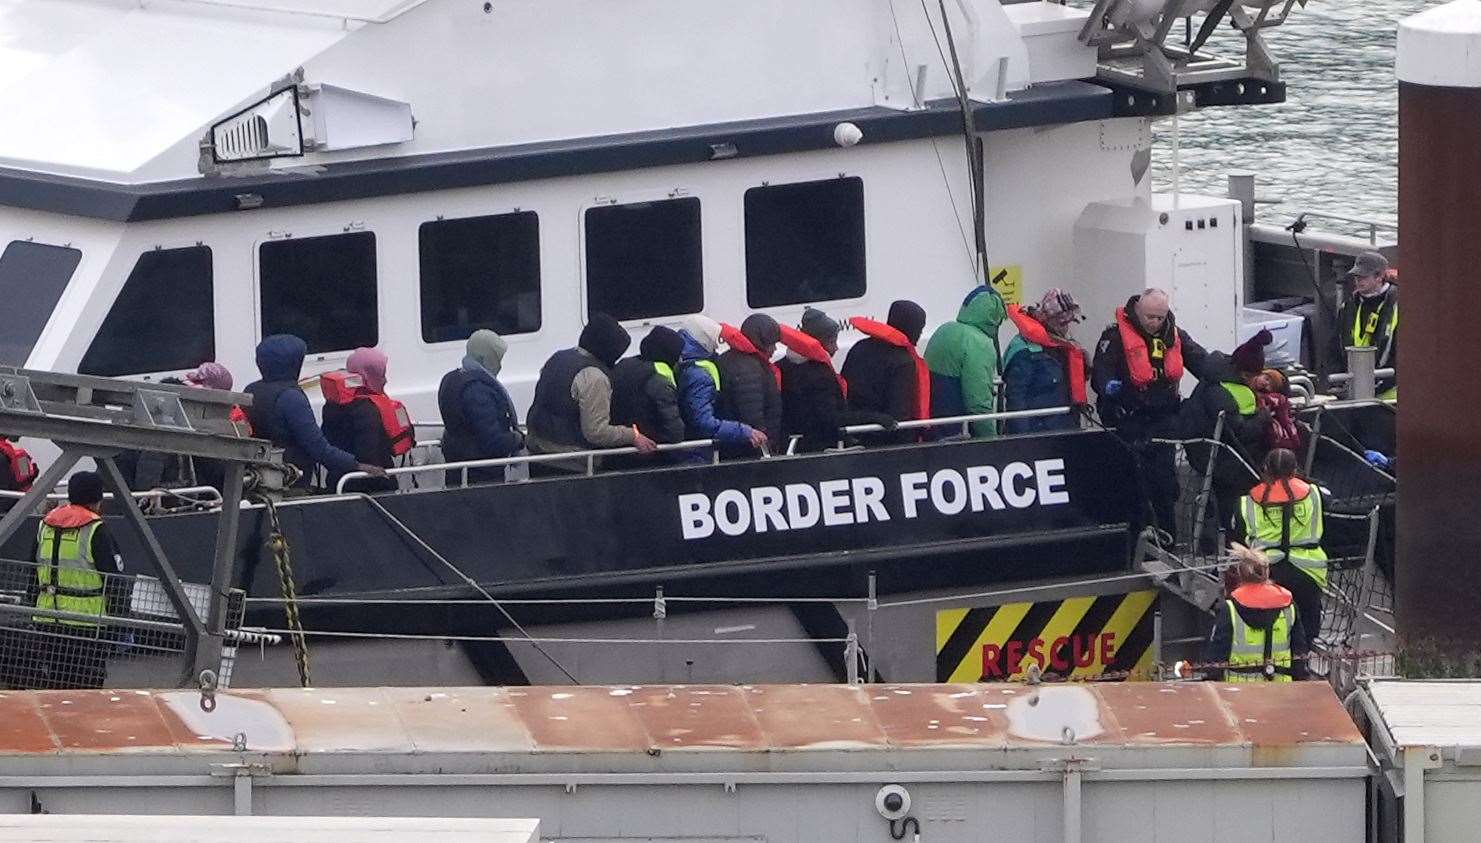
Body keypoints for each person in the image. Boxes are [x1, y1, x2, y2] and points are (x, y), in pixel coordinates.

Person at [1092, 289, 1210, 533]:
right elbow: (1100, 373)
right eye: (1149, 317)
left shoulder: (1174, 336)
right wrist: (1108, 386)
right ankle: (1136, 541)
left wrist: (1227, 372)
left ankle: (1167, 538)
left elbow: (1202, 362)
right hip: (1128, 422)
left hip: (1162, 421)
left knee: (1164, 486)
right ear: (1137, 311)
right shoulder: (1114, 337)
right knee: (1132, 485)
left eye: (1159, 317)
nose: (1154, 323)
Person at [19, 471, 130, 689]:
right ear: (97, 499)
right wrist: (120, 622)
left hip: (47, 618)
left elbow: (32, 570)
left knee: (55, 681)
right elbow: (114, 579)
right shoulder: (96, 529)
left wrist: (31, 608)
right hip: (87, 624)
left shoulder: (46, 525)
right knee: (86, 688)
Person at [243, 335, 386, 492]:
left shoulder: (251, 390)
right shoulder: (291, 398)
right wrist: (357, 465)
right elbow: (318, 447)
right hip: (289, 480)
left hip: (259, 476)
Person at [527, 313, 657, 473]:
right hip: (570, 460)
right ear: (609, 350)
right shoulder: (594, 376)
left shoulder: (558, 358)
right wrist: (633, 435)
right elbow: (596, 432)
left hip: (538, 450)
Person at [1180, 329, 1274, 535]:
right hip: (1223, 461)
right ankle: (1233, 542)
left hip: (1211, 455)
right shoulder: (1224, 392)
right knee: (1229, 510)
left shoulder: (1217, 377)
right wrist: (1264, 417)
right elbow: (1239, 431)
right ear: (1244, 374)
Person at [1236, 448, 1328, 646]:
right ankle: (1301, 666)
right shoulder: (1315, 493)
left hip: (1267, 572)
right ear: (1294, 470)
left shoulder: (1247, 502)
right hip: (1309, 572)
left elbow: (1238, 535)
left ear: (1266, 470)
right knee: (1308, 634)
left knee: (1271, 634)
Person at [779, 307, 895, 452]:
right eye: (832, 341)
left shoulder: (783, 366)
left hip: (793, 445)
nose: (836, 348)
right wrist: (875, 418)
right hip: (817, 449)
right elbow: (832, 418)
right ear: (819, 342)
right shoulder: (818, 375)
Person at [1201, 546, 1308, 682]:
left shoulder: (1230, 608)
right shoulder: (1288, 605)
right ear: (1267, 572)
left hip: (1240, 692)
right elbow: (1299, 650)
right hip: (1281, 690)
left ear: (1240, 574)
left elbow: (1216, 655)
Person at [438, 330, 525, 486]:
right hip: (480, 474)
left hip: (458, 468)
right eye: (497, 359)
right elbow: (493, 441)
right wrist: (517, 439)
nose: (499, 365)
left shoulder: (451, 379)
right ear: (485, 358)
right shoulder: (477, 391)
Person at [676, 315, 767, 461]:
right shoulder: (700, 375)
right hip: (700, 454)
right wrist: (744, 431)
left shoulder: (684, 364)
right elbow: (703, 422)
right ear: (705, 340)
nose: (717, 346)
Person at [321, 347, 410, 494]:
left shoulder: (331, 405)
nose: (385, 380)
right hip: (372, 486)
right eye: (381, 375)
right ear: (368, 375)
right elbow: (368, 454)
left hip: (338, 482)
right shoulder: (368, 410)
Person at [842, 300, 931, 445]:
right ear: (910, 327)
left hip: (855, 434)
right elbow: (900, 413)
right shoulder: (903, 362)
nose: (920, 333)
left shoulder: (859, 347)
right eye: (919, 328)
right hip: (888, 442)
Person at [1002, 288, 1088, 434]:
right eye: (1063, 324)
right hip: (1038, 435)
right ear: (1052, 322)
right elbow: (1016, 399)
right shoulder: (1025, 351)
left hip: (1065, 429)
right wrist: (1024, 440)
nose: (1067, 328)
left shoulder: (1062, 348)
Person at [924, 285, 1006, 438]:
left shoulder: (944, 329)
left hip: (930, 426)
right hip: (956, 431)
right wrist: (992, 442)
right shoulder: (979, 343)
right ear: (994, 317)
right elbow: (978, 403)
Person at [609, 325, 687, 466]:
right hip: (648, 456)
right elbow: (675, 433)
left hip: (615, 452)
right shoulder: (660, 381)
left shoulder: (623, 366)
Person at [716, 315, 783, 456]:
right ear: (762, 342)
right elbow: (752, 412)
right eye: (772, 344)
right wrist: (765, 444)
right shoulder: (749, 367)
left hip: (736, 443)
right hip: (752, 447)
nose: (775, 349)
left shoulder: (729, 359)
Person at [1335, 251, 1398, 400]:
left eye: (1363, 277)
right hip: (1353, 387)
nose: (1358, 281)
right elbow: (1335, 344)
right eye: (1357, 276)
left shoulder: (1397, 305)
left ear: (1379, 277)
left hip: (1389, 393)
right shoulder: (1349, 305)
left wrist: (1381, 383)